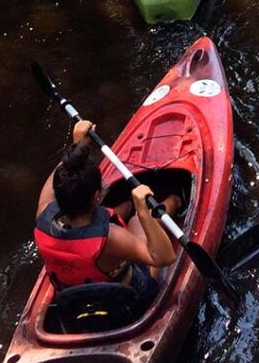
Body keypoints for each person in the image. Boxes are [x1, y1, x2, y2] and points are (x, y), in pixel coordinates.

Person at [34, 120, 180, 310]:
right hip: (125, 302)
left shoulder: (43, 213)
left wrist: (78, 146)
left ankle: (126, 207)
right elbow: (164, 257)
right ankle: (176, 200)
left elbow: (59, 178)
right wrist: (143, 213)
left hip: (76, 304)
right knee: (136, 220)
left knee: (121, 210)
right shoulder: (110, 239)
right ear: (97, 196)